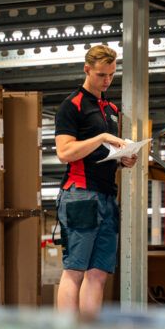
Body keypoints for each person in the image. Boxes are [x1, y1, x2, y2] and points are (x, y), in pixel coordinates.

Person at [54, 45, 136, 314]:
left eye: (111, 75)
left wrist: (122, 159)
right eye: (101, 74)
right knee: (75, 269)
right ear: (87, 69)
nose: (107, 80)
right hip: (80, 193)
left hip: (107, 195)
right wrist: (101, 137)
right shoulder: (72, 105)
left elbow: (101, 153)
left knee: (99, 272)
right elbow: (64, 152)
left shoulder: (110, 108)